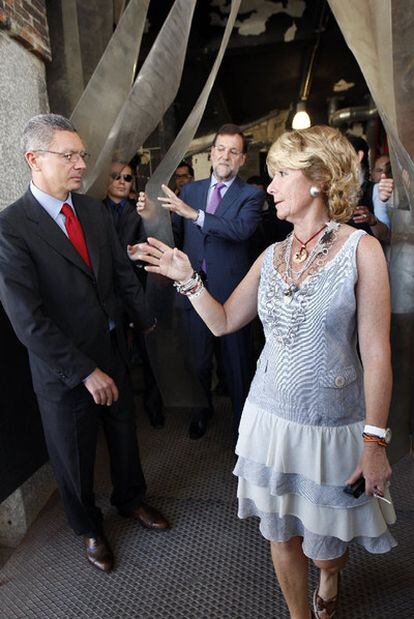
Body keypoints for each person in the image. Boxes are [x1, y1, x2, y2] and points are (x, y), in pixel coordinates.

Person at [135, 125, 396, 618]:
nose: (268, 186)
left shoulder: (363, 251)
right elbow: (225, 322)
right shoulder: (271, 256)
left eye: (279, 175)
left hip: (331, 426)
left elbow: (377, 352)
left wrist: (374, 441)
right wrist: (187, 277)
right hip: (269, 421)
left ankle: (329, 577)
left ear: (318, 178)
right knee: (280, 535)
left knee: (326, 547)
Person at [0, 114, 169, 574]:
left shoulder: (92, 211)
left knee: (123, 433)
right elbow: (27, 321)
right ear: (34, 159)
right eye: (69, 155)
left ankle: (131, 500)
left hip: (112, 349)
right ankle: (90, 528)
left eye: (82, 155)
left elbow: (119, 276)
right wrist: (83, 372)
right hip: (63, 369)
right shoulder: (11, 227)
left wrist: (145, 323)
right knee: (73, 455)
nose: (80, 164)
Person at [131, 124, 264, 440]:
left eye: (233, 151)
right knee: (198, 362)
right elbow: (174, 234)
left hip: (234, 298)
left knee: (237, 367)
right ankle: (202, 411)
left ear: (242, 159)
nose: (225, 156)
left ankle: (243, 430)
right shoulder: (189, 191)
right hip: (192, 294)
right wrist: (151, 216)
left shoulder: (251, 195)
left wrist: (196, 215)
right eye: (220, 148)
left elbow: (240, 231)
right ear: (211, 152)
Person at [104, 160, 165, 429]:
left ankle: (154, 405)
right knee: (112, 355)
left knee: (149, 351)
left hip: (136, 289)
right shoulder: (91, 210)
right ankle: (117, 411)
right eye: (115, 176)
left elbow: (147, 245)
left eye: (127, 178)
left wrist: (136, 255)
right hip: (104, 294)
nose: (121, 181)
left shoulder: (139, 213)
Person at [346, 135, 393, 243]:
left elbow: (385, 235)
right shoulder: (334, 190)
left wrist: (372, 220)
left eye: (342, 154)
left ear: (359, 156)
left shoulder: (375, 190)